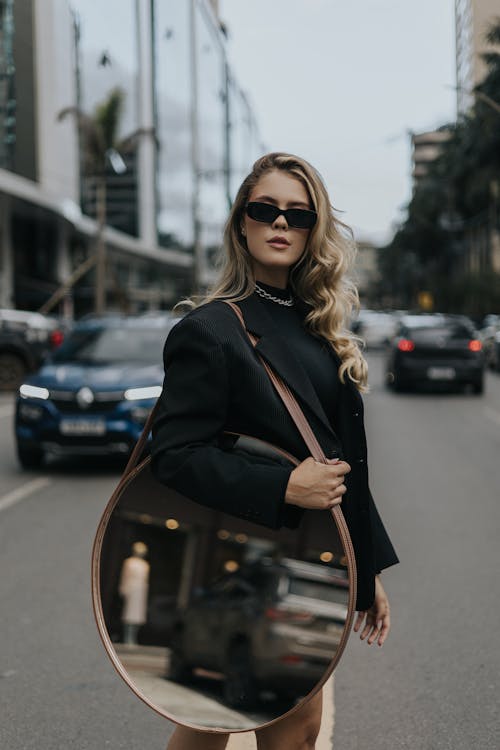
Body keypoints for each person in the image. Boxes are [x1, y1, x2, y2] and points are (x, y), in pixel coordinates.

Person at [151, 152, 399, 750]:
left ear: (315, 230)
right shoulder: (210, 331)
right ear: (242, 223)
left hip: (311, 553)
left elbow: (338, 461)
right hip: (243, 552)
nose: (280, 224)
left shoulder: (320, 328)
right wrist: (284, 488)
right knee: (220, 718)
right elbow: (175, 454)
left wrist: (364, 567)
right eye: (265, 210)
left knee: (292, 725)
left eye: (298, 214)